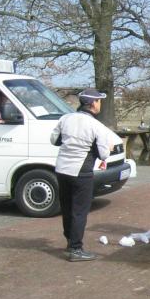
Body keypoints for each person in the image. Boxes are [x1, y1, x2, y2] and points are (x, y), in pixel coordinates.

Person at [51, 88, 115, 261]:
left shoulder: (65, 119)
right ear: (93, 103)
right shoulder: (96, 125)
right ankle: (76, 249)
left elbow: (54, 140)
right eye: (99, 101)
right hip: (81, 171)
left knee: (67, 208)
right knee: (79, 211)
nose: (100, 104)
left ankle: (69, 242)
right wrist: (109, 148)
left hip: (62, 169)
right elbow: (103, 154)